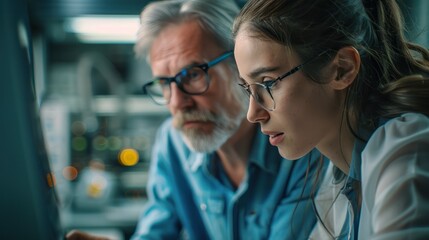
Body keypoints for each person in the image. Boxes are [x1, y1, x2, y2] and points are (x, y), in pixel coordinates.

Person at [67, 0, 326, 240]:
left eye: (192, 75)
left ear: (240, 64)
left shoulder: (299, 142)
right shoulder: (173, 142)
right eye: (164, 84)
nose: (178, 102)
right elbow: (157, 232)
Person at [232, 0, 429, 239]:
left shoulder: (408, 151)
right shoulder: (336, 177)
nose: (253, 114)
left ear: (342, 69)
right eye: (247, 88)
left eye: (268, 83)